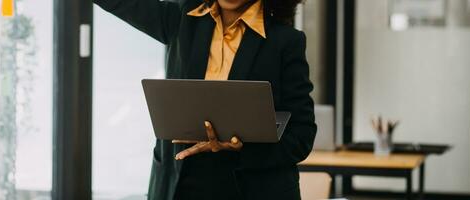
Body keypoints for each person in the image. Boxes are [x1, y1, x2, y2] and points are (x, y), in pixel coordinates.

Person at [93, 0, 317, 199]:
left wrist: (241, 148)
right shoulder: (182, 18)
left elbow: (301, 137)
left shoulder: (286, 41)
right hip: (180, 183)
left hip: (250, 186)